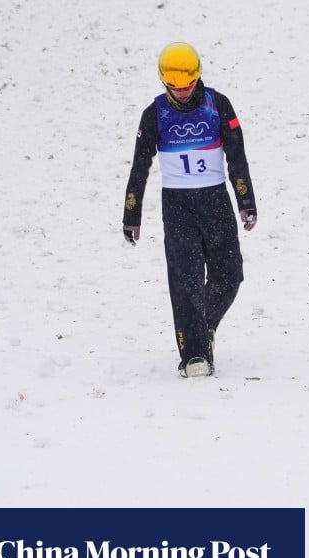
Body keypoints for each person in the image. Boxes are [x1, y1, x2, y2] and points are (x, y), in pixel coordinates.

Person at [121, 42, 258, 377]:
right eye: (174, 88)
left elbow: (236, 155)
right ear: (164, 83)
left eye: (187, 86)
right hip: (178, 206)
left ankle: (204, 326)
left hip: (215, 201)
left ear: (198, 77)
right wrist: (131, 213)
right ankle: (195, 355)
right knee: (186, 280)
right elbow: (140, 166)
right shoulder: (154, 114)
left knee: (230, 275)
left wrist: (246, 201)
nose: (182, 93)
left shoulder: (218, 105)